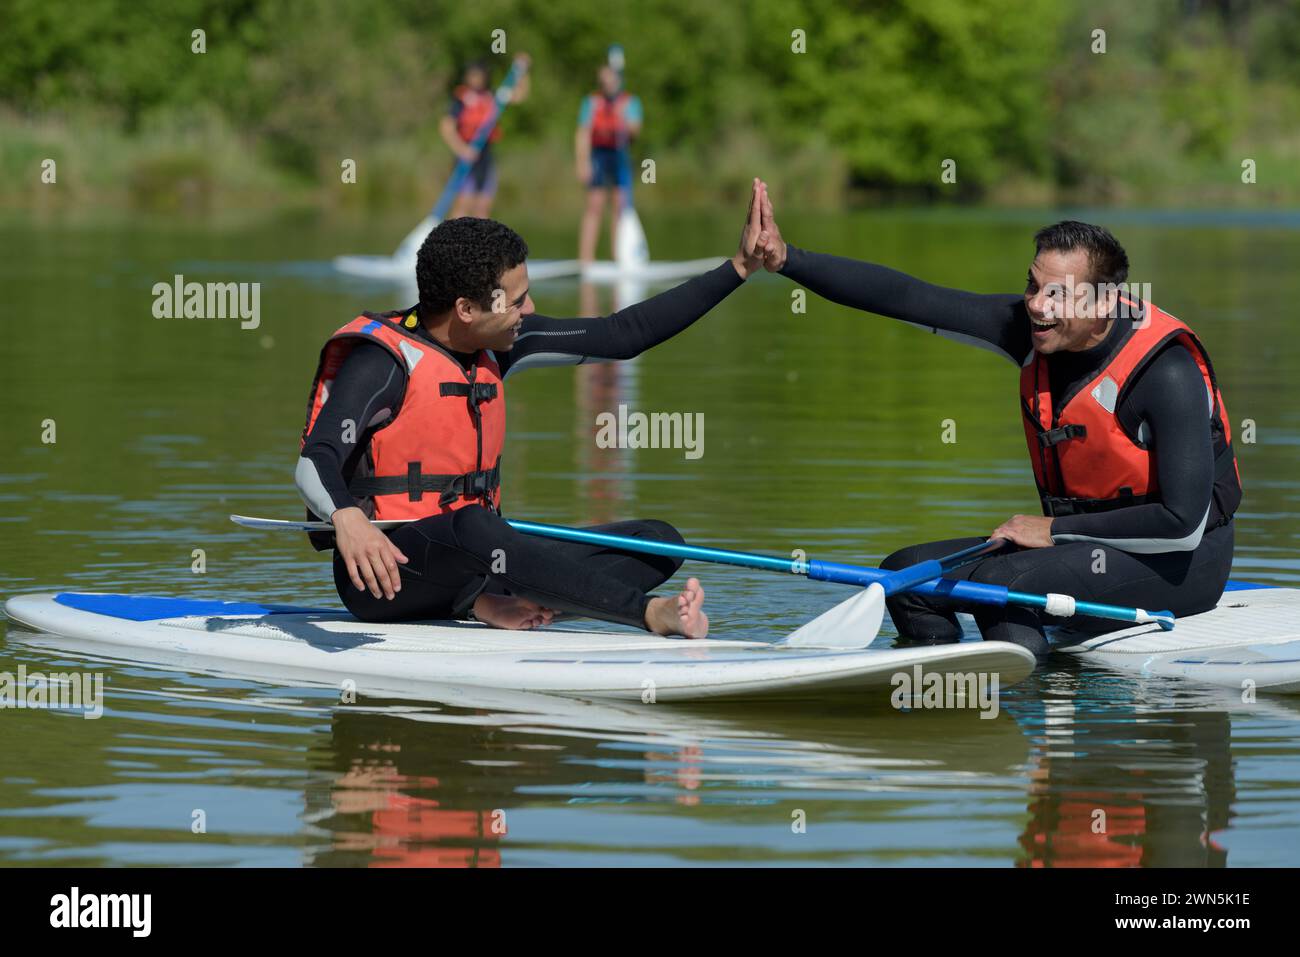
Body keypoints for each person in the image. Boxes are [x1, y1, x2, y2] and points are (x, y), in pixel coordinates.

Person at [754, 192, 1241, 656]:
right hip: (1085, 546)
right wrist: (786, 259)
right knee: (905, 577)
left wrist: (1052, 531)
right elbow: (909, 297)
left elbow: (1182, 525)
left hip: (1182, 564)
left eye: (1057, 294)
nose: (1035, 304)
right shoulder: (1029, 331)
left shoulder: (1166, 373)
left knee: (995, 586)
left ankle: (1031, 702)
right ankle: (938, 684)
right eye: (1033, 284)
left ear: (1101, 306)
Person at [295, 181, 773, 637]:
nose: (530, 309)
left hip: (484, 559)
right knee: (476, 527)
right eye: (517, 300)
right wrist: (346, 518)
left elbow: (626, 334)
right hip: (387, 578)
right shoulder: (381, 362)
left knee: (655, 541)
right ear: (466, 309)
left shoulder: (501, 346)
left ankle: (493, 601)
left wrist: (738, 268)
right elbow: (315, 460)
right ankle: (647, 613)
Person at [439, 58, 530, 219]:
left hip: (485, 155)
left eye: (478, 76)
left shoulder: (495, 96)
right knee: (463, 205)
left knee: (483, 207)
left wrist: (522, 71)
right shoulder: (460, 100)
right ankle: (456, 242)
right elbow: (446, 127)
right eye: (472, 76)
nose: (475, 79)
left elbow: (520, 96)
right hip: (465, 156)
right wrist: (462, 150)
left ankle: (481, 243)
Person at [575, 64, 643, 263]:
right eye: (603, 81)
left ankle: (619, 257)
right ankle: (585, 259)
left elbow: (635, 132)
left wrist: (624, 117)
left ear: (618, 81)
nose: (607, 85)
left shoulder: (630, 102)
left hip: (620, 155)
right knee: (594, 204)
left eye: (610, 81)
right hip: (598, 155)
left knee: (620, 205)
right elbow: (583, 133)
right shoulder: (592, 102)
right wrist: (582, 162)